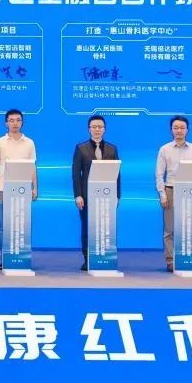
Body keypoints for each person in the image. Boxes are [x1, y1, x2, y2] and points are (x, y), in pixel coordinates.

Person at [72, 114, 121, 271]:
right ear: (89, 129)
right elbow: (76, 173)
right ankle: (88, 258)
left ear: (104, 129)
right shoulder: (81, 148)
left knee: (106, 227)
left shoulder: (112, 149)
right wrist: (78, 195)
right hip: (87, 197)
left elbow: (117, 174)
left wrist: (117, 195)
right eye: (94, 127)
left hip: (107, 196)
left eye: (100, 126)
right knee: (87, 227)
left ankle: (104, 256)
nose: (97, 129)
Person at [0, 108, 37, 270]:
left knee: (22, 224)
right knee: (4, 226)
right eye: (11, 120)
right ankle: (5, 257)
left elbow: (33, 167)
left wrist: (34, 188)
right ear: (6, 123)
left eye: (18, 120)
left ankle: (21, 257)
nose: (15, 123)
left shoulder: (29, 142)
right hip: (4, 189)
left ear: (22, 122)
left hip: (23, 189)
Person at [155, 114, 192, 272]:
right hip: (171, 190)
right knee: (170, 229)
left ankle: (188, 258)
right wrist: (162, 194)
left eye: (182, 127)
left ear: (187, 130)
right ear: (171, 130)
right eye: (176, 128)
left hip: (190, 192)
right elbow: (159, 174)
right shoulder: (165, 149)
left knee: (189, 227)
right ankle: (171, 261)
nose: (179, 130)